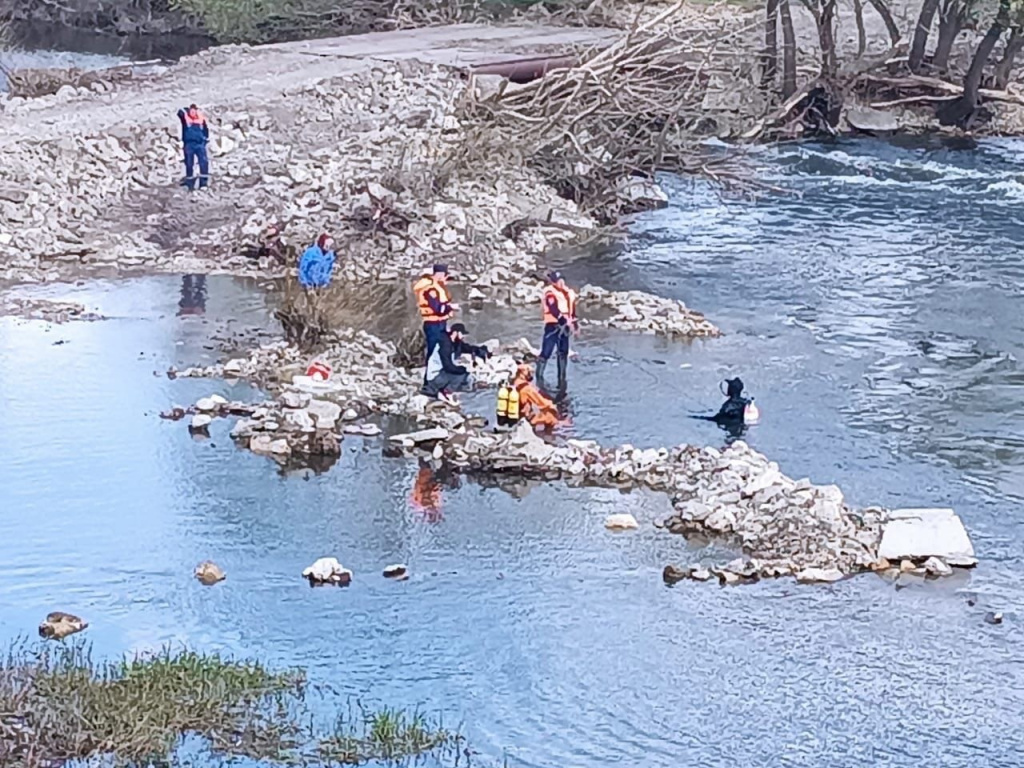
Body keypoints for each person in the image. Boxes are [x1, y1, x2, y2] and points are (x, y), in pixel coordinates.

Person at [421, 323, 490, 400]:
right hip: (435, 376)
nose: (463, 336)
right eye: (462, 333)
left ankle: (449, 389)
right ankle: (445, 392)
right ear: (455, 332)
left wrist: (479, 350)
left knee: (465, 377)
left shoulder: (455, 343)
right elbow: (447, 366)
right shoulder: (445, 344)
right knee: (461, 375)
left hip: (442, 373)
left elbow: (467, 348)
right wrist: (462, 369)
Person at [413, 264, 458, 371]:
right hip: (434, 324)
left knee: (441, 348)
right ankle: (430, 374)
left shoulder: (435, 286)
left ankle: (440, 371)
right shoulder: (430, 289)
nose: (446, 278)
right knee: (434, 350)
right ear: (439, 274)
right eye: (445, 275)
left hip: (438, 322)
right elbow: (437, 308)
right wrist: (450, 307)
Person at [537, 270, 578, 387]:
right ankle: (539, 379)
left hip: (565, 327)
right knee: (546, 352)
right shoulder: (550, 292)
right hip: (553, 327)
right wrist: (563, 320)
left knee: (563, 352)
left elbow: (572, 311)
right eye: (557, 281)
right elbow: (553, 308)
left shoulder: (569, 293)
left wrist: (575, 325)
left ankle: (562, 379)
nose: (559, 283)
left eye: (561, 280)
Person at [511, 363, 559, 430]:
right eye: (528, 372)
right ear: (522, 373)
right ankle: (549, 435)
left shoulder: (514, 384)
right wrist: (552, 405)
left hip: (515, 414)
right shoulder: (527, 388)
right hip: (524, 417)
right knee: (551, 417)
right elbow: (541, 402)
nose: (530, 375)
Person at [177, 104, 210, 191]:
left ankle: (203, 183)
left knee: (203, 163)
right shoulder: (185, 118)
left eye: (194, 110)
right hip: (189, 144)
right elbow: (180, 111)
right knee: (189, 163)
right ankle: (189, 184)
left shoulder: (201, 119)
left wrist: (205, 139)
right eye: (191, 110)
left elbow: (206, 130)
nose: (193, 112)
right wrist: (187, 110)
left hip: (200, 144)